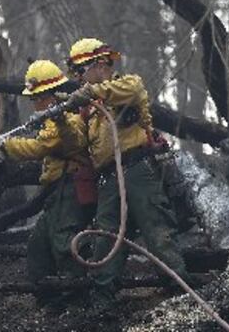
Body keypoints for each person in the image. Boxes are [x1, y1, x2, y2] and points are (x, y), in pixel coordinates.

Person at [65, 37, 190, 315]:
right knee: (106, 238)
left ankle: (181, 296)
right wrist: (59, 116)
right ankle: (102, 302)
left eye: (80, 71)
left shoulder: (127, 86)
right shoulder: (90, 109)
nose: (78, 78)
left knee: (157, 231)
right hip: (109, 179)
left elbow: (132, 89)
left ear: (99, 65)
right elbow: (74, 138)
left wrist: (90, 93)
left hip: (138, 170)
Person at [2, 59, 97, 309]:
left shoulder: (70, 117)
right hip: (56, 192)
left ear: (51, 95)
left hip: (70, 190)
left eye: (37, 98)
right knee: (38, 247)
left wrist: (4, 145)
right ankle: (50, 300)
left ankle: (76, 302)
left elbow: (41, 147)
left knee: (65, 244)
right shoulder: (54, 119)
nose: (34, 103)